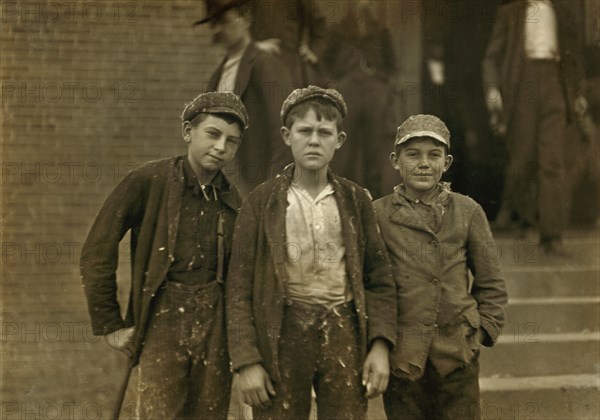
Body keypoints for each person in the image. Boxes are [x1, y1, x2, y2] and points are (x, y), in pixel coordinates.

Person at [226, 86, 397, 419]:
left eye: (324, 132)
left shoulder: (356, 200)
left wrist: (380, 346)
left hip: (342, 329)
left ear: (340, 139)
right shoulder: (261, 203)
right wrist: (246, 361)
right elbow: (238, 289)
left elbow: (379, 280)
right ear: (287, 136)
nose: (314, 140)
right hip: (282, 333)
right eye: (305, 131)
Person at [80, 92, 248, 419]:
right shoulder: (150, 180)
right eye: (213, 134)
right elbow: (97, 249)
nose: (220, 147)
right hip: (163, 319)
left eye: (232, 141)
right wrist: (110, 323)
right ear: (188, 132)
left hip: (216, 328)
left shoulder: (231, 200)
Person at [373, 115, 508, 420]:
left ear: (446, 163)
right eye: (413, 154)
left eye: (434, 155)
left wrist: (481, 332)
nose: (424, 164)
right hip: (403, 357)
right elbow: (372, 284)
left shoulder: (468, 211)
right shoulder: (378, 214)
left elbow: (492, 283)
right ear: (396, 161)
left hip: (456, 355)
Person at [482, 0, 587, 255]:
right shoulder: (509, 13)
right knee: (524, 157)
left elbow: (573, 55)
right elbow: (491, 58)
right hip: (523, 85)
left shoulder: (561, 11)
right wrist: (493, 90)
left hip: (554, 83)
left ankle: (552, 236)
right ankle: (523, 219)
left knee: (553, 161)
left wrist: (577, 92)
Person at [195, 0, 293, 196]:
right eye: (214, 24)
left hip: (256, 180)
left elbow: (284, 129)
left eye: (224, 20)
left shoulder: (264, 64)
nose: (219, 29)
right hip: (224, 181)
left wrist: (273, 186)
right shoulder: (219, 73)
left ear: (245, 18)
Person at [323, 0, 399, 199]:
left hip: (375, 91)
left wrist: (381, 82)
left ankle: (375, 201)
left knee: (375, 150)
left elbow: (392, 66)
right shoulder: (339, 30)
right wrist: (336, 83)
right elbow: (325, 63)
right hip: (348, 90)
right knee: (344, 148)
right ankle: (343, 197)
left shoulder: (380, 30)